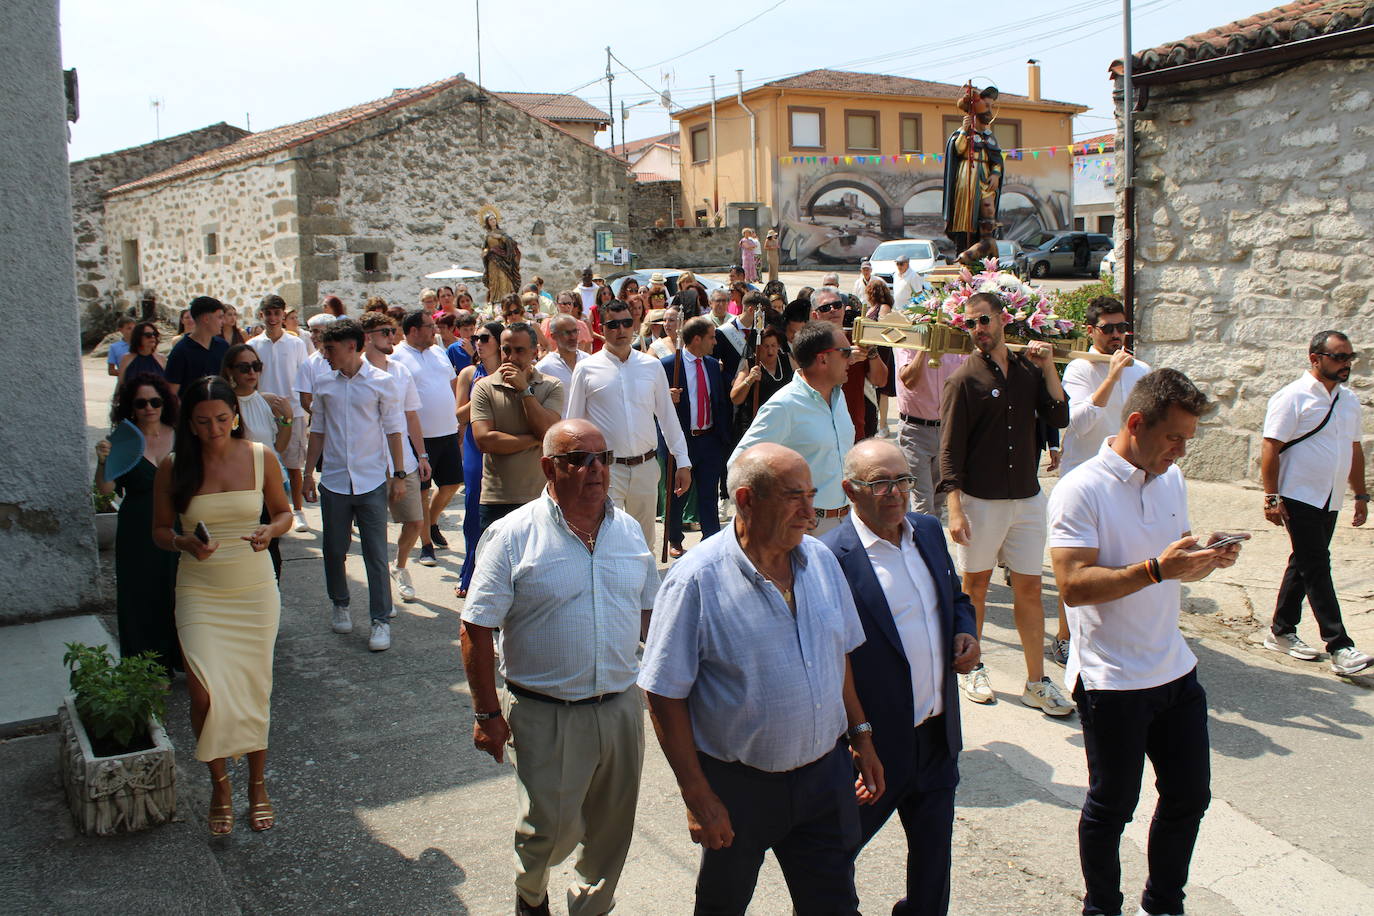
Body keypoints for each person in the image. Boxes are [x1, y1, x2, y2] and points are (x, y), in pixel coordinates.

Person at [640, 443, 882, 916]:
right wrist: (696, 794)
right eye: (795, 497)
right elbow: (663, 693)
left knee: (834, 904)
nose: (811, 513)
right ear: (747, 499)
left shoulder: (821, 562)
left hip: (824, 780)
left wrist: (861, 735)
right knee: (722, 906)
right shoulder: (696, 580)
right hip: (738, 789)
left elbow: (840, 656)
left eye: (812, 496)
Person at [1048, 368, 1240, 916]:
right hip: (1113, 680)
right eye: (1174, 438)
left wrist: (1203, 559)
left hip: (1174, 670)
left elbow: (1173, 570)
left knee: (1188, 798)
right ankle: (1102, 907)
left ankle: (1163, 905)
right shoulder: (1080, 489)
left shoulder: (1169, 478)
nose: (1181, 452)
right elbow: (1072, 587)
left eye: (1187, 440)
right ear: (1136, 424)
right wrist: (1158, 568)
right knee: (1112, 807)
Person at [462, 419, 658, 916]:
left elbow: (650, 619)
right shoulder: (511, 536)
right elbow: (476, 628)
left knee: (612, 832)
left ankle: (589, 907)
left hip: (619, 708)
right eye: (579, 459)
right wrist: (487, 714)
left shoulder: (630, 531)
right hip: (546, 712)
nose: (595, 469)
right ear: (550, 467)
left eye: (603, 458)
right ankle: (531, 896)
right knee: (546, 832)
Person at [822, 438, 979, 916]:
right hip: (873, 748)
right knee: (832, 859)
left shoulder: (928, 532)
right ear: (851, 490)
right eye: (881, 484)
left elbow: (956, 601)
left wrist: (966, 634)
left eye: (904, 481)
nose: (896, 493)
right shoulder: (830, 557)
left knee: (933, 868)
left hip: (935, 738)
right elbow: (829, 658)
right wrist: (857, 736)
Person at [151, 377, 291, 834]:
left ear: (236, 414)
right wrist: (184, 542)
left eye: (222, 419)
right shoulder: (173, 467)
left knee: (253, 688)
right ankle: (219, 783)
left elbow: (283, 512)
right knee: (204, 694)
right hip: (200, 590)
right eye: (203, 421)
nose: (214, 429)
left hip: (253, 588)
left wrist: (270, 532)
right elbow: (158, 531)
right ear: (188, 423)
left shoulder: (259, 456)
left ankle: (256, 783)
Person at [939, 291, 1071, 714]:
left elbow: (1059, 416)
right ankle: (972, 668)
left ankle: (1037, 680)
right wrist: (955, 508)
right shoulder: (964, 380)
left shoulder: (1030, 372)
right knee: (974, 587)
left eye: (983, 321)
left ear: (1002, 319)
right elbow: (949, 451)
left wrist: (1050, 367)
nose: (978, 330)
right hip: (980, 502)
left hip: (1027, 500)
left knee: (1030, 589)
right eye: (971, 324)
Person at [1260, 330, 1374, 676]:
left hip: (1330, 496)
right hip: (1298, 494)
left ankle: (1281, 630)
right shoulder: (1292, 397)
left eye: (1349, 358)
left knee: (1305, 562)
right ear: (1315, 358)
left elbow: (1353, 450)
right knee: (1317, 564)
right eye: (1339, 357)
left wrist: (1360, 494)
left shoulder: (1349, 400)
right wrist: (1271, 496)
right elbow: (1270, 447)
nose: (1346, 365)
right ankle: (1339, 645)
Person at [1053, 297, 1151, 665]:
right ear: (1091, 331)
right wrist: (1110, 376)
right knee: (1076, 561)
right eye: (1107, 328)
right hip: (1083, 476)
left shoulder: (1140, 369)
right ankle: (1064, 635)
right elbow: (1078, 423)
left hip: (1127, 478)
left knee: (1123, 558)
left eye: (1120, 328)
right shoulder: (1079, 369)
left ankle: (1116, 633)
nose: (1115, 335)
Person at [301, 319, 407, 652]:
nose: (325, 354)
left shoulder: (381, 382)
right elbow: (317, 430)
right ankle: (340, 602)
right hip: (334, 479)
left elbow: (393, 429)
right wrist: (307, 473)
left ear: (351, 347)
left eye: (330, 349)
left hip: (372, 478)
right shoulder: (324, 384)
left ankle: (380, 620)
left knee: (376, 553)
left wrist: (399, 474)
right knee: (334, 548)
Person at [566, 298, 692, 553]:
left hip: (646, 467)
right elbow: (573, 424)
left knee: (644, 545)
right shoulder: (586, 369)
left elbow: (668, 417)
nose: (621, 330)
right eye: (613, 324)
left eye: (626, 322)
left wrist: (683, 461)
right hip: (605, 469)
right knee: (606, 541)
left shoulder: (651, 366)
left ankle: (644, 593)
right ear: (602, 326)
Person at [731, 320, 856, 535]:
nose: (851, 358)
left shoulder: (839, 396)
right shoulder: (784, 405)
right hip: (803, 529)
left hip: (846, 523)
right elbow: (738, 465)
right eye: (845, 352)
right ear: (823, 358)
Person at [95, 374, 180, 671]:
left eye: (155, 401)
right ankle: (146, 667)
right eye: (141, 403)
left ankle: (181, 660)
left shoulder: (181, 435)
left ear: (164, 402)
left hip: (178, 524)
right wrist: (103, 462)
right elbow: (106, 492)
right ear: (130, 407)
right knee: (141, 595)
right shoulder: (123, 440)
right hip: (138, 528)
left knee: (179, 591)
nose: (148, 408)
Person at [360, 312, 432, 604]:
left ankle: (399, 567)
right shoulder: (356, 371)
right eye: (385, 332)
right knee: (375, 531)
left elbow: (411, 415)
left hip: (405, 462)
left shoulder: (401, 371)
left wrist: (422, 454)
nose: (393, 336)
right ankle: (378, 592)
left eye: (393, 331)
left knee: (415, 522)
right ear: (367, 337)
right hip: (371, 464)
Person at [470, 322, 565, 532]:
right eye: (506, 350)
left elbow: (547, 430)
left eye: (519, 350)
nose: (511, 357)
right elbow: (485, 441)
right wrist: (536, 439)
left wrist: (524, 391)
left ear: (534, 351)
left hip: (541, 497)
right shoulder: (484, 388)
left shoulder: (552, 386)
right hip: (497, 499)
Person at [391, 309, 461, 568]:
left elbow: (453, 387)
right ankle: (426, 546)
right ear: (412, 330)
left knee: (452, 484)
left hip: (448, 431)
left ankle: (430, 522)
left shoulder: (439, 352)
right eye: (429, 326)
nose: (435, 330)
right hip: (418, 438)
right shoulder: (398, 357)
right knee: (422, 492)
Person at [220, 344, 293, 579]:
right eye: (244, 367)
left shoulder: (265, 401)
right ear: (230, 371)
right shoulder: (227, 406)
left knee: (271, 547)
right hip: (243, 486)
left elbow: (278, 447)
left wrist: (288, 421)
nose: (251, 372)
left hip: (271, 483)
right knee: (246, 546)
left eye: (256, 366)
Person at [661, 317, 732, 558]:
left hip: (709, 439)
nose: (715, 342)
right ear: (697, 339)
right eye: (711, 337)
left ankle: (711, 539)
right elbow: (652, 403)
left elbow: (719, 400)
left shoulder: (712, 364)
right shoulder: (669, 365)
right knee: (678, 492)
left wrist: (722, 436)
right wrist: (666, 397)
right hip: (682, 440)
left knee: (708, 494)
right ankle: (675, 538)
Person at [248, 294, 312, 532]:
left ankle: (297, 510)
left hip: (292, 411)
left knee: (293, 464)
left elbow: (304, 377)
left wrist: (305, 409)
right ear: (262, 315)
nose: (273, 318)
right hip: (261, 412)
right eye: (269, 313)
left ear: (283, 316)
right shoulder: (253, 345)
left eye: (277, 313)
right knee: (262, 464)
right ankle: (266, 510)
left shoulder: (296, 344)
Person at [454, 321, 504, 596]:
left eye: (484, 337)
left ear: (498, 342)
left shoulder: (513, 372)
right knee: (474, 506)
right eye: (475, 338)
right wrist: (485, 389)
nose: (478, 342)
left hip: (505, 442)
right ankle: (470, 569)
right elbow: (459, 415)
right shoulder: (468, 373)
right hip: (475, 446)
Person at [894, 343, 966, 519]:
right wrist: (925, 347)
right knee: (923, 503)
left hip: (948, 429)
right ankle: (924, 544)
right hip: (915, 431)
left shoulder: (958, 339)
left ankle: (926, 543)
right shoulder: (909, 340)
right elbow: (908, 380)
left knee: (939, 499)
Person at [813, 286, 888, 442]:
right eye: (826, 307)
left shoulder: (856, 340)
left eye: (837, 305)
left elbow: (880, 381)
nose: (833, 310)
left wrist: (871, 351)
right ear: (815, 315)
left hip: (855, 431)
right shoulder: (809, 343)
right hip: (820, 433)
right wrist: (844, 360)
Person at [729, 325, 793, 435]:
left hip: (784, 423)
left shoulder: (787, 360)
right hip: (757, 424)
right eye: (766, 346)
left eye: (773, 346)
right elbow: (735, 398)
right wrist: (749, 379)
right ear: (758, 347)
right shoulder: (750, 364)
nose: (770, 351)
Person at [164, 296, 229, 394]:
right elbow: (172, 393)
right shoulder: (180, 352)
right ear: (206, 319)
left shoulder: (223, 346)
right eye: (219, 317)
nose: (223, 322)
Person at [292, 313, 337, 415]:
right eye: (311, 331)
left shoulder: (346, 358)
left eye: (316, 332)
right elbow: (306, 401)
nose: (312, 336)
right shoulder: (308, 364)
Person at [535, 313, 584, 391]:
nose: (573, 336)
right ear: (553, 336)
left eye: (575, 331)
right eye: (567, 333)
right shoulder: (544, 367)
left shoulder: (588, 360)